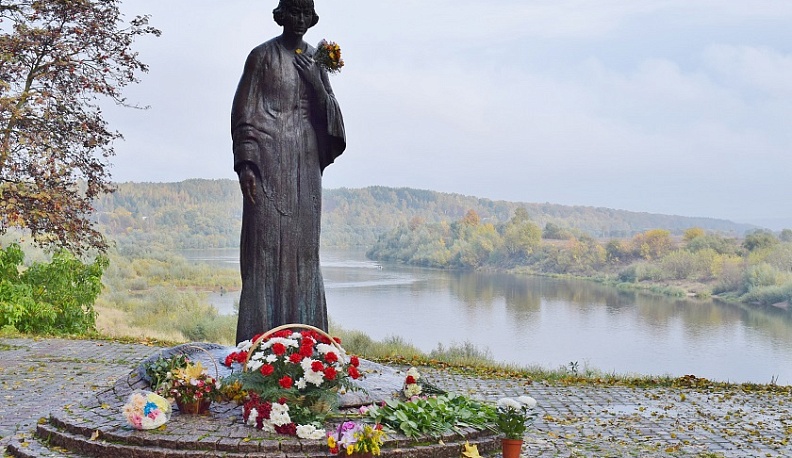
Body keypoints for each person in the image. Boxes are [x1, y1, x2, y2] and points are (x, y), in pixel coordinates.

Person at [231, 0, 345, 343]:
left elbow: (334, 120)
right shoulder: (261, 57)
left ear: (312, 19)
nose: (298, 19)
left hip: (305, 164)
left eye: (304, 13)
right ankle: (256, 343)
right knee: (264, 250)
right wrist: (246, 163)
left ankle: (308, 343)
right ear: (281, 15)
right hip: (267, 163)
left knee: (304, 251)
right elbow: (243, 111)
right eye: (292, 12)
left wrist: (316, 81)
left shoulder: (316, 62)